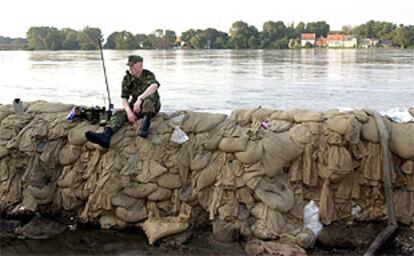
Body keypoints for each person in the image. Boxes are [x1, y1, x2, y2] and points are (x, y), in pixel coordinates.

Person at [85, 55, 161, 148]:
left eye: (132, 66)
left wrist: (140, 99)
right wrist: (129, 112)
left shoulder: (148, 75)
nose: (130, 68)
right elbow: (124, 97)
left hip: (151, 107)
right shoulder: (127, 78)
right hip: (136, 107)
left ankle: (144, 128)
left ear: (140, 65)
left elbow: (154, 86)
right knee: (119, 113)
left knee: (148, 99)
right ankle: (106, 136)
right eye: (129, 66)